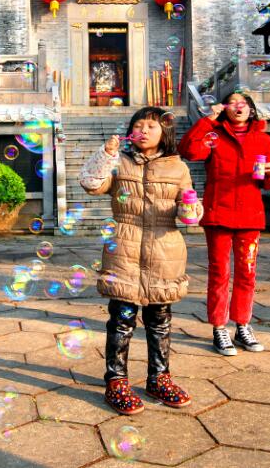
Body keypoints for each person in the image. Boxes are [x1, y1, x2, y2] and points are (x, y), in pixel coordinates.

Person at [79, 106, 202, 415]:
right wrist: (106, 154)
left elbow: (190, 212)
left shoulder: (178, 167)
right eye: (138, 125)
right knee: (122, 319)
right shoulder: (118, 162)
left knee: (160, 319)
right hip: (124, 248)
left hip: (165, 250)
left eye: (151, 126)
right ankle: (116, 381)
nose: (143, 130)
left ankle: (159, 378)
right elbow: (91, 183)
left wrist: (190, 209)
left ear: (165, 133)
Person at [178, 93, 270, 356]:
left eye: (243, 102)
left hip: (250, 216)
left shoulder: (264, 140)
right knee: (219, 273)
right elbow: (188, 150)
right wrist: (207, 120)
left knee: (247, 272)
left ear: (251, 110)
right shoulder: (214, 135)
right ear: (224, 108)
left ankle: (242, 325)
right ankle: (219, 328)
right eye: (232, 102)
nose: (238, 106)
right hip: (219, 215)